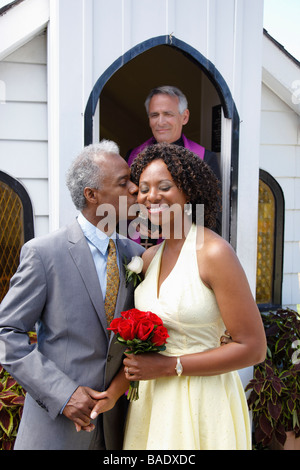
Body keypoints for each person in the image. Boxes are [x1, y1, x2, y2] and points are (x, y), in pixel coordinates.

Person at [95, 143, 266, 450]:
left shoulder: (214, 254)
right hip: (152, 405)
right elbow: (135, 344)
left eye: (164, 186)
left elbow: (253, 348)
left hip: (203, 401)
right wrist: (112, 392)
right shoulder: (147, 259)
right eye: (143, 189)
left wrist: (170, 366)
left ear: (188, 192)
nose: (151, 197)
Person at [0, 140, 144, 450]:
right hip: (57, 430)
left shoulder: (138, 255)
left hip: (119, 427)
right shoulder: (44, 253)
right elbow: (5, 333)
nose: (135, 189)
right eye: (123, 182)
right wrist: (62, 393)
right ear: (93, 195)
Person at [127, 85, 222, 236]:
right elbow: (123, 204)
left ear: (184, 117)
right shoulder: (133, 156)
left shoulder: (204, 158)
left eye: (168, 114)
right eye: (154, 115)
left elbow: (212, 217)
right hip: (140, 244)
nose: (160, 122)